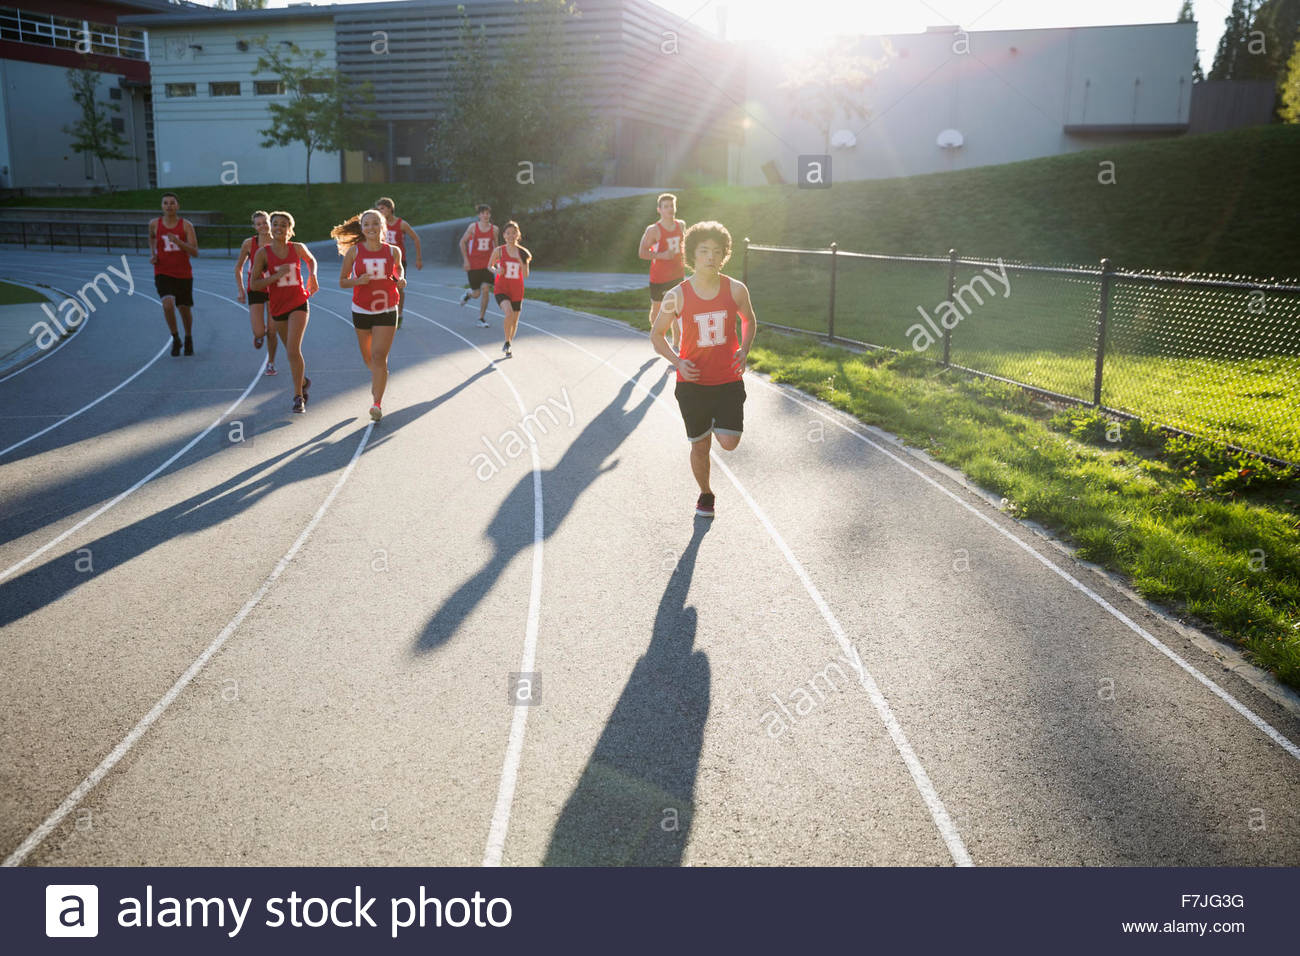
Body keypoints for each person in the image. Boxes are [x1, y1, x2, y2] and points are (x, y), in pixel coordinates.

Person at [650, 221, 757, 518]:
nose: (711, 256)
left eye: (717, 251)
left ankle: (714, 422)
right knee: (700, 446)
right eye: (704, 251)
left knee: (730, 442)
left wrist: (744, 350)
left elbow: (749, 320)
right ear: (692, 255)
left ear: (724, 255)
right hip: (692, 382)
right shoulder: (676, 295)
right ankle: (706, 494)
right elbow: (656, 336)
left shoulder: (736, 289)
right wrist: (677, 361)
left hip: (727, 380)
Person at [332, 208, 406, 423]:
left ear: (382, 227)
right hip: (362, 309)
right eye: (367, 224)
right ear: (362, 229)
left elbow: (398, 272)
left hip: (386, 308)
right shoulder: (354, 252)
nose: (371, 227)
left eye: (375, 223)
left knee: (379, 357)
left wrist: (401, 280)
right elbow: (342, 281)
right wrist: (358, 281)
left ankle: (377, 403)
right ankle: (379, 376)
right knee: (369, 359)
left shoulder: (393, 251)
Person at [250, 211, 318, 414]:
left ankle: (298, 397)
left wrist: (312, 276)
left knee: (292, 350)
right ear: (271, 228)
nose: (279, 227)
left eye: (283, 225)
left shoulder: (297, 248)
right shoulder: (263, 253)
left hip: (298, 302)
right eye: (275, 224)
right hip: (277, 307)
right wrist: (275, 277)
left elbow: (311, 259)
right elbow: (254, 284)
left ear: (290, 230)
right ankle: (303, 380)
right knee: (291, 351)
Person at [149, 192, 199, 356]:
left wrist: (178, 241)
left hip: (183, 273)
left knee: (184, 308)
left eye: (172, 203)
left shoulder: (186, 226)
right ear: (162, 206)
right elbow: (151, 238)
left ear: (177, 206)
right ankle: (175, 337)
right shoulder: (154, 224)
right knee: (168, 304)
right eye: (165, 203)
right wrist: (153, 253)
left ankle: (188, 337)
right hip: (163, 271)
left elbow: (194, 252)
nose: (169, 206)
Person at [638, 192, 686, 352]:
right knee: (657, 310)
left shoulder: (681, 225)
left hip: (677, 275)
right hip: (659, 277)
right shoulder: (653, 230)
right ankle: (657, 337)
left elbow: (684, 246)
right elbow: (642, 253)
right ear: (659, 210)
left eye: (672, 205)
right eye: (666, 206)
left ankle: (677, 345)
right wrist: (662, 255)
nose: (670, 209)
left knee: (675, 310)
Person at [234, 210, 279, 376]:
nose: (263, 226)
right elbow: (238, 267)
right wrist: (240, 290)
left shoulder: (278, 241)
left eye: (265, 222)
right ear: (254, 226)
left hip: (275, 289)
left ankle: (271, 363)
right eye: (258, 224)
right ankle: (259, 335)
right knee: (260, 331)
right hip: (256, 288)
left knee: (273, 331)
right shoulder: (248, 243)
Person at [487, 220, 530, 358]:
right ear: (504, 235)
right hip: (502, 288)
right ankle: (506, 341)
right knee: (509, 314)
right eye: (508, 233)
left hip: (517, 289)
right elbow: (489, 266)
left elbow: (525, 275)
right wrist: (497, 270)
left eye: (514, 233)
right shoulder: (499, 251)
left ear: (518, 234)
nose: (511, 235)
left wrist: (520, 260)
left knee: (515, 321)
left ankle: (509, 343)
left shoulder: (523, 253)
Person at [374, 197, 421, 324]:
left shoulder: (401, 224)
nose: (380, 211)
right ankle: (383, 313)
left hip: (398, 263)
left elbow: (416, 238)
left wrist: (418, 258)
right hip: (382, 263)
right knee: (382, 288)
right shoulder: (378, 224)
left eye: (382, 208)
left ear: (390, 209)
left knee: (398, 287)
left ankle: (399, 314)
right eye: (378, 209)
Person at [458, 203, 499, 328]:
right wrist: (466, 260)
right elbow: (462, 242)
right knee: (477, 294)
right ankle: (468, 294)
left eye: (487, 213)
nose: (486, 215)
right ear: (479, 215)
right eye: (483, 213)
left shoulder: (494, 229)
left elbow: (496, 247)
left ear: (490, 215)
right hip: (474, 264)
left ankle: (481, 318)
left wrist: (496, 263)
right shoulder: (473, 228)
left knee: (486, 289)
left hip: (487, 265)